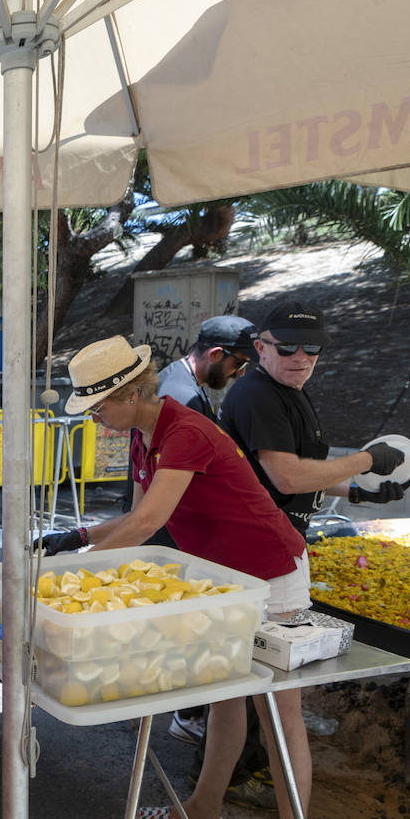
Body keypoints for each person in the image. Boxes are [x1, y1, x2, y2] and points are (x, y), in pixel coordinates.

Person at [39, 335, 314, 819]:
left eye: (98, 407)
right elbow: (134, 518)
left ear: (130, 395)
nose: (93, 417)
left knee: (277, 708)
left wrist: (64, 581)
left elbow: (147, 523)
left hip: (271, 571)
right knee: (223, 698)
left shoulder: (186, 431)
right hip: (221, 578)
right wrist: (79, 537)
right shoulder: (147, 436)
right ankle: (204, 808)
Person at [154, 315, 257, 750]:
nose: (239, 374)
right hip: (175, 526)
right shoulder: (182, 398)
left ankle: (190, 710)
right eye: (239, 365)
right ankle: (190, 713)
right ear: (216, 355)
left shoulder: (179, 381)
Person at [220, 301, 409, 534]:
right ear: (260, 348)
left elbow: (305, 471)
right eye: (287, 347)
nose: (300, 358)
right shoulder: (257, 395)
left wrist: (357, 491)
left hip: (282, 535)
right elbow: (289, 478)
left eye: (311, 346)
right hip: (253, 537)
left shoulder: (289, 388)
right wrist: (367, 460)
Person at [157, 315, 257, 420]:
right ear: (215, 355)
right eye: (240, 363)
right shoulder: (183, 400)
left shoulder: (184, 376)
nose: (241, 373)